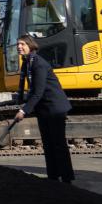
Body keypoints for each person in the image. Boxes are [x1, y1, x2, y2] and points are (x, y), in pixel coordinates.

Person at [14, 34, 74, 183]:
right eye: (18, 44)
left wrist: (24, 110)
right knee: (47, 144)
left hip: (54, 107)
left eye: (22, 44)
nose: (19, 47)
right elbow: (30, 90)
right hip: (44, 108)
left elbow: (38, 91)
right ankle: (53, 177)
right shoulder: (27, 63)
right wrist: (22, 103)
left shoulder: (38, 63)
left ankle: (66, 179)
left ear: (30, 46)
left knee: (58, 144)